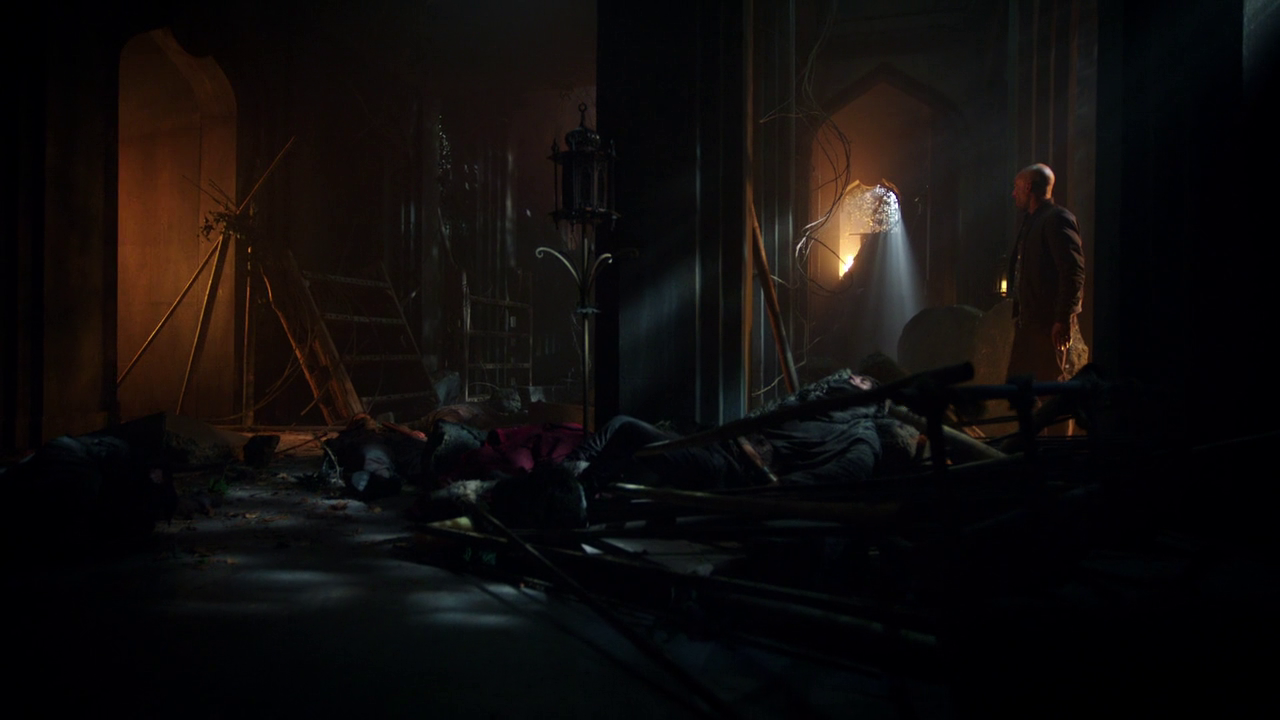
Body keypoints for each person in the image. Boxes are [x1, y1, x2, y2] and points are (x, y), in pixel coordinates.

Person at [1006, 163, 1086, 384]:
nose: (1013, 193)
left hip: (1046, 326)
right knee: (1022, 387)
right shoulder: (1033, 221)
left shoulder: (1056, 219)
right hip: (1030, 324)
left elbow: (1073, 272)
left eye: (1016, 187)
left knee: (1049, 387)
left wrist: (1062, 318)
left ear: (1028, 187)